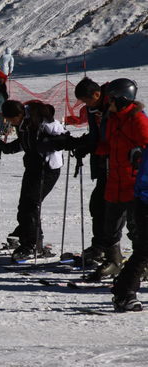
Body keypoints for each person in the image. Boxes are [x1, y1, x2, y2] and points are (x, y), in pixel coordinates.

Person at [84, 78, 148, 283]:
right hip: (114, 179)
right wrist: (93, 149)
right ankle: (114, 261)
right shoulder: (111, 118)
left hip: (133, 182)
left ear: (122, 98)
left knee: (135, 226)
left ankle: (142, 264)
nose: (107, 102)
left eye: (111, 98)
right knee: (109, 224)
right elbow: (109, 144)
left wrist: (138, 153)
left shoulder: (137, 119)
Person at [0, 100, 65, 262]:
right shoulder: (23, 122)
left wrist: (50, 144)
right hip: (33, 167)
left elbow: (61, 136)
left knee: (30, 205)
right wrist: (7, 147)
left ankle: (31, 244)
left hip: (47, 168)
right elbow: (25, 143)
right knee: (25, 205)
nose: (11, 123)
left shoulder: (41, 120)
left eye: (12, 120)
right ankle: (31, 241)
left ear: (20, 114)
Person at [110, 81, 148, 310]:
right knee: (144, 249)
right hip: (144, 197)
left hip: (139, 192)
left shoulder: (139, 122)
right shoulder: (134, 122)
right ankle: (124, 293)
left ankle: (123, 290)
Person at [72, 77, 111, 265]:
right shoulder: (92, 109)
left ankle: (110, 250)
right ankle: (99, 246)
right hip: (103, 164)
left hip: (119, 166)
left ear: (96, 94)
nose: (86, 105)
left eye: (87, 101)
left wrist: (96, 148)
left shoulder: (113, 106)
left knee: (115, 211)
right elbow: (95, 136)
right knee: (97, 205)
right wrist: (85, 146)